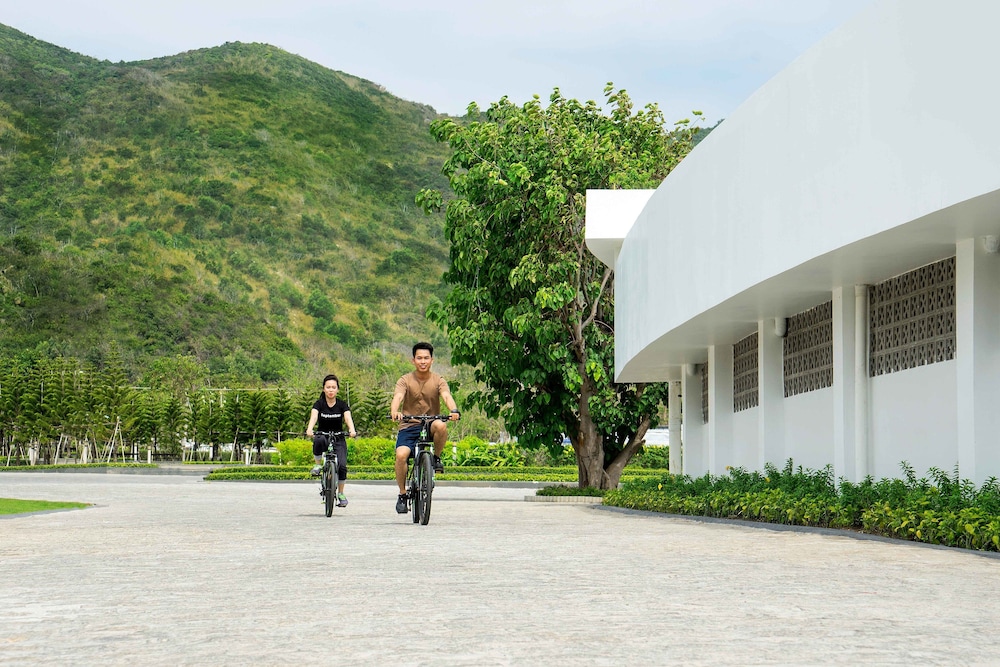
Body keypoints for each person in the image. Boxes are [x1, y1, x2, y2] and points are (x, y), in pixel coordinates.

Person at [390, 341, 460, 514]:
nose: (423, 361)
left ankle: (436, 458)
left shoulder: (438, 380)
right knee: (401, 455)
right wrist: (395, 411)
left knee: (441, 425)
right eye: (419, 358)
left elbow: (446, 396)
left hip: (430, 423)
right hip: (409, 424)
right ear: (413, 360)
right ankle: (402, 494)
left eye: (426, 358)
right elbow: (398, 397)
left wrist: (453, 410)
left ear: (432, 360)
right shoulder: (405, 380)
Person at [305, 373, 356, 507]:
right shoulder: (319, 404)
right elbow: (314, 417)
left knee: (342, 466)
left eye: (333, 387)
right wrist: (310, 429)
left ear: (337, 389)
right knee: (318, 440)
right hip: (323, 435)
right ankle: (317, 465)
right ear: (324, 389)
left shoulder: (342, 405)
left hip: (338, 437)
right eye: (328, 387)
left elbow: (348, 418)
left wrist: (352, 429)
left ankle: (341, 493)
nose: (331, 390)